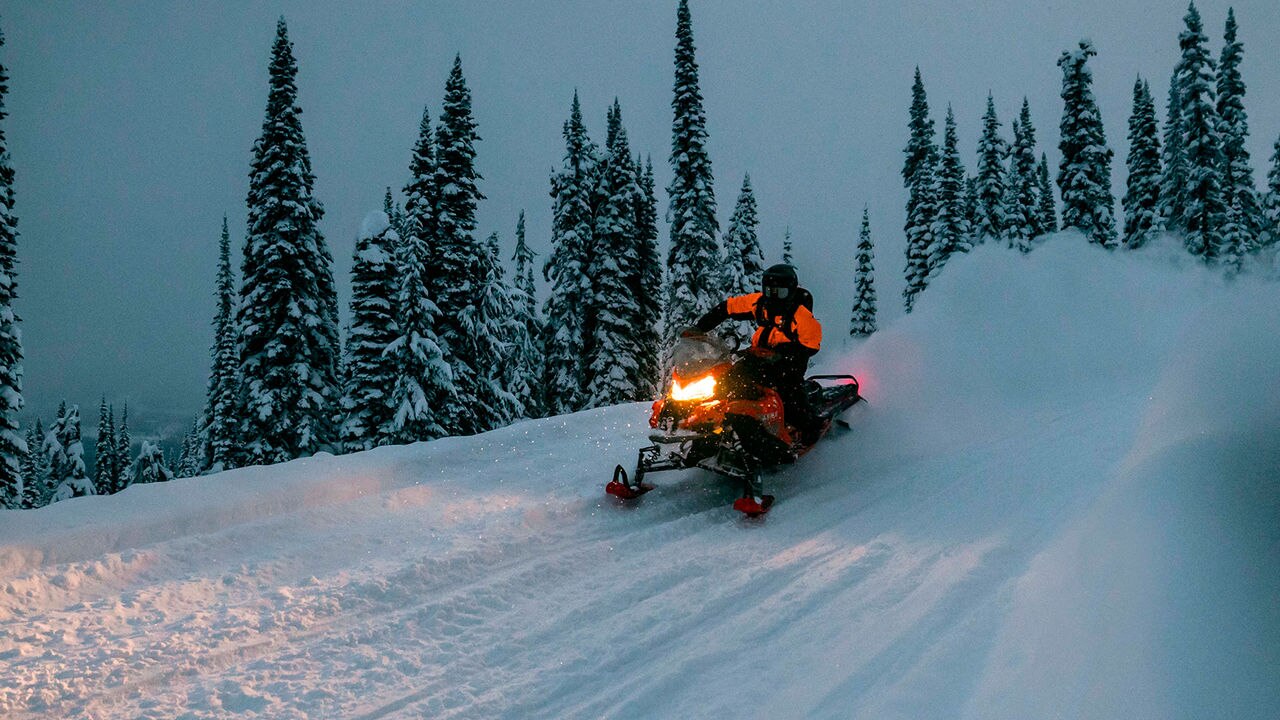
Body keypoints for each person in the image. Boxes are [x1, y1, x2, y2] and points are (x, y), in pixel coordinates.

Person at [690, 263, 823, 445]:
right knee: (727, 381)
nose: (774, 297)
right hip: (758, 357)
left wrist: (781, 354)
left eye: (780, 292)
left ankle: (811, 427)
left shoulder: (800, 315)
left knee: (787, 396)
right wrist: (699, 328)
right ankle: (720, 425)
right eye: (769, 291)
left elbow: (811, 344)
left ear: (790, 291)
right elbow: (728, 307)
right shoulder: (760, 303)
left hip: (789, 363)